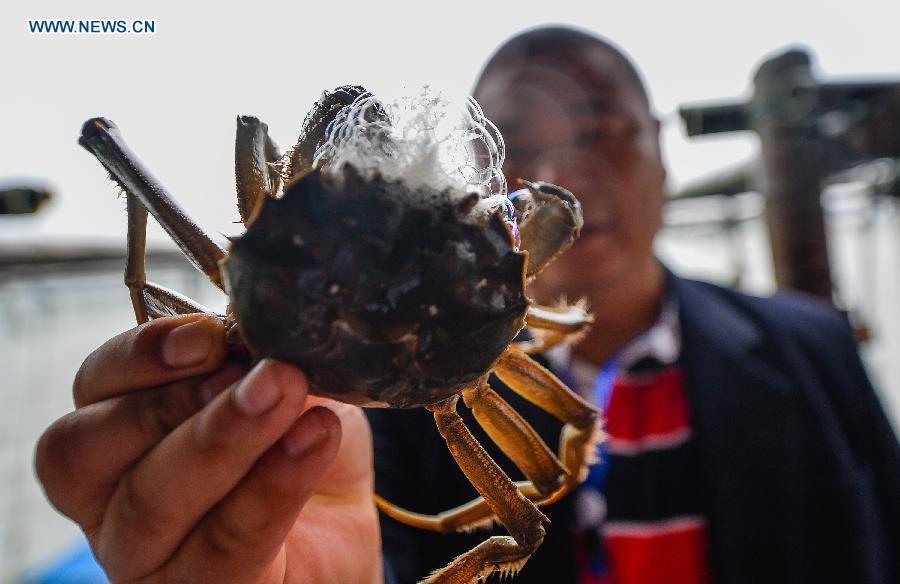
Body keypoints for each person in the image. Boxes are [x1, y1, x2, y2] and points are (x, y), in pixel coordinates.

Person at [34, 25, 899, 584]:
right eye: (523, 144)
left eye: (600, 132)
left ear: (662, 154)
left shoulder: (812, 349)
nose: (566, 169)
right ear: (484, 178)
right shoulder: (357, 439)